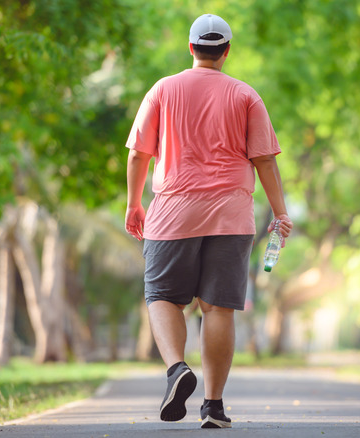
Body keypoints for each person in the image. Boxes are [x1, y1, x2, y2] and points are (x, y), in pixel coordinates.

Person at [124, 13, 292, 429]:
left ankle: (177, 369)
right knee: (218, 308)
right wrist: (281, 212)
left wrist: (133, 204)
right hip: (231, 214)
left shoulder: (163, 89)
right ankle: (213, 407)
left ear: (191, 47)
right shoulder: (245, 95)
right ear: (226, 51)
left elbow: (137, 155)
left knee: (162, 295)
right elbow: (265, 161)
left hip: (173, 211)